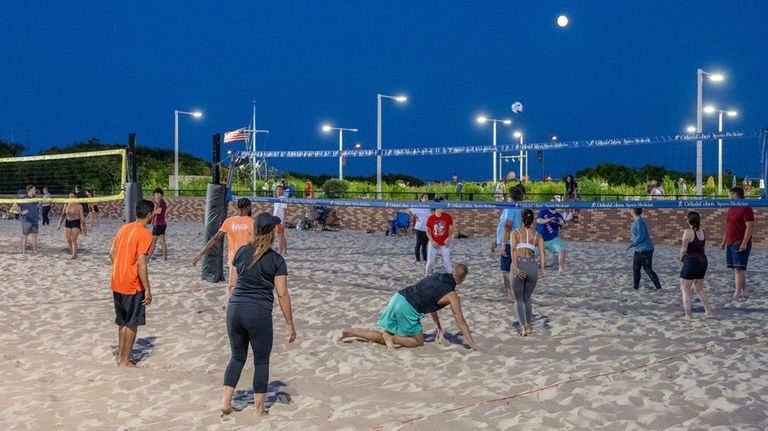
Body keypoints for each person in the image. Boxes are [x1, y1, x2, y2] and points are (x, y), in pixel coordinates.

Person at [220, 212, 296, 417]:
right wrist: (290, 324)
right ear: (271, 233)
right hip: (258, 313)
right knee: (261, 361)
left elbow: (232, 285)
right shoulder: (276, 260)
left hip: (235, 309)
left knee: (236, 357)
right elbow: (282, 294)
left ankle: (226, 402)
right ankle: (259, 410)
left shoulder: (241, 252)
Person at [338, 264, 478, 350]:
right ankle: (392, 339)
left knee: (383, 334)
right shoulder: (452, 295)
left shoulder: (437, 276)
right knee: (417, 342)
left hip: (398, 297)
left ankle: (349, 332)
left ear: (452, 270)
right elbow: (460, 321)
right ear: (463, 279)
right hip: (408, 308)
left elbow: (432, 302)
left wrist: (439, 328)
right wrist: (472, 344)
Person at [109, 199, 155, 368]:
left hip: (117, 280)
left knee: (122, 322)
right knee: (132, 323)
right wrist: (148, 289)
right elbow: (141, 263)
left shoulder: (124, 228)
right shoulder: (145, 234)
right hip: (132, 284)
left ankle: (121, 357)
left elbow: (111, 254)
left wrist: (121, 267)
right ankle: (125, 360)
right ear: (149, 215)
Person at [193, 198, 254, 296]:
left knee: (232, 286)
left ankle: (232, 307)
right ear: (249, 207)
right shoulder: (252, 222)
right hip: (247, 260)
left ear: (238, 207)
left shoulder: (229, 221)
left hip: (234, 260)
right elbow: (258, 243)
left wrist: (200, 254)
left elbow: (215, 239)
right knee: (245, 287)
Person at [508, 209, 546, 336]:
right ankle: (529, 325)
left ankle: (523, 327)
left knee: (518, 299)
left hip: (519, 262)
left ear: (521, 219)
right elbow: (542, 253)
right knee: (527, 298)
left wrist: (515, 267)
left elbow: (513, 249)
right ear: (532, 220)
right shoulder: (537, 235)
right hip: (532, 266)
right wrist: (542, 269)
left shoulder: (516, 232)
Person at [720, 187, 755, 300]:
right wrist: (724, 241)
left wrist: (744, 243)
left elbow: (749, 226)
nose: (728, 197)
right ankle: (744, 291)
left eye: (729, 194)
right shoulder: (732, 208)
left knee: (739, 268)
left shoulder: (746, 208)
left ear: (734, 195)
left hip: (739, 241)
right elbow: (728, 226)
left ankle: (737, 293)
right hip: (731, 242)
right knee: (736, 268)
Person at [490, 186, 523, 301]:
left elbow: (508, 227)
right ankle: (511, 293)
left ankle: (511, 294)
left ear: (509, 196)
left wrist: (503, 245)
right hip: (513, 241)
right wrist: (497, 242)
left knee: (505, 272)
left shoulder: (510, 207)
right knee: (512, 270)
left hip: (509, 243)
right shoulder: (518, 207)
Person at [679, 211, 713, 317]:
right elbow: (703, 247)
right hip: (703, 261)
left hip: (692, 261)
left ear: (689, 220)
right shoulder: (702, 232)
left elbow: (683, 249)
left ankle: (688, 314)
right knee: (699, 288)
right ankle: (708, 311)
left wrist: (681, 258)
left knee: (685, 289)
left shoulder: (687, 232)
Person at [629, 208, 662, 290]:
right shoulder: (637, 221)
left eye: (631, 210)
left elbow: (641, 236)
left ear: (634, 212)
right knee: (636, 269)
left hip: (645, 249)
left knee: (647, 269)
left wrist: (632, 244)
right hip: (639, 249)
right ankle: (635, 287)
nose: (630, 211)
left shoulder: (639, 221)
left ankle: (659, 287)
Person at [535, 204, 566, 273]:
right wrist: (548, 220)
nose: (552, 204)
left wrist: (562, 224)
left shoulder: (559, 216)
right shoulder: (543, 211)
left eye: (554, 202)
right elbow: (538, 221)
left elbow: (563, 227)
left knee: (562, 251)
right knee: (530, 254)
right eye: (551, 202)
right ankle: (534, 266)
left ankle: (561, 268)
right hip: (539, 239)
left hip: (553, 239)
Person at [57, 192, 87, 259]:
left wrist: (84, 227)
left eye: (73, 196)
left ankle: (74, 254)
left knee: (74, 239)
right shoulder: (66, 204)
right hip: (68, 222)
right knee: (68, 239)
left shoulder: (79, 206)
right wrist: (59, 224)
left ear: (75, 197)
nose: (71, 198)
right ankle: (72, 251)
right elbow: (63, 215)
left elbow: (82, 217)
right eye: (70, 196)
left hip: (76, 222)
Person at [425, 206, 454, 275]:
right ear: (436, 207)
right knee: (430, 262)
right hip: (434, 243)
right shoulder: (431, 218)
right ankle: (427, 275)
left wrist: (449, 238)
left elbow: (451, 229)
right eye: (441, 206)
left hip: (445, 243)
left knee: (447, 261)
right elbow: (428, 230)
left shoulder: (447, 216)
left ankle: (452, 276)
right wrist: (432, 240)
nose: (443, 207)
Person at [409, 194, 432, 263]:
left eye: (427, 197)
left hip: (427, 229)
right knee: (418, 243)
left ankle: (425, 259)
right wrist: (415, 217)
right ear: (421, 199)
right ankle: (418, 259)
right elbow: (409, 210)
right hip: (419, 228)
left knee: (425, 245)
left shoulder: (429, 206)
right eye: (425, 197)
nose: (426, 199)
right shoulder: (418, 206)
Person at [18, 185, 41, 254]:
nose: (35, 191)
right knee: (25, 236)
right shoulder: (24, 198)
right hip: (26, 220)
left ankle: (34, 250)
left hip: (35, 220)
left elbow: (36, 207)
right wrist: (21, 212)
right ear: (30, 190)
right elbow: (15, 205)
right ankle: (24, 251)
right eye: (34, 189)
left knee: (34, 236)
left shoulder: (35, 198)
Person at [148, 188, 169, 260]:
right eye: (155, 194)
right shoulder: (160, 202)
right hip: (162, 224)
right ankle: (164, 257)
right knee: (162, 242)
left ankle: (148, 258)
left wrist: (151, 213)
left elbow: (158, 211)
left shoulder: (160, 202)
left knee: (153, 242)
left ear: (161, 195)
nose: (156, 196)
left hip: (158, 225)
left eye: (158, 194)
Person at [273, 185, 288, 255]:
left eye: (280, 189)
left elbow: (284, 211)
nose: (278, 191)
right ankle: (284, 251)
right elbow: (275, 210)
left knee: (280, 236)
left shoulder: (283, 199)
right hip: (275, 219)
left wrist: (283, 222)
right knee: (282, 235)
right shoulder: (276, 199)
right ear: (275, 191)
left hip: (279, 220)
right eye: (277, 189)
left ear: (282, 191)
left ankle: (280, 251)